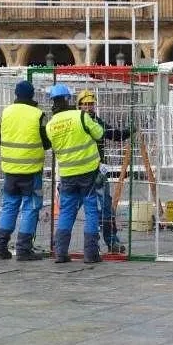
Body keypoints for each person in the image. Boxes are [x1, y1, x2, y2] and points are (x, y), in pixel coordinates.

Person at [45, 83, 105, 264]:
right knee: (91, 210)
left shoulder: (50, 125)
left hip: (67, 174)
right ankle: (91, 254)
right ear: (67, 99)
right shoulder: (81, 116)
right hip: (88, 172)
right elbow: (99, 133)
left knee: (66, 212)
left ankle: (61, 253)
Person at [0, 80, 51, 261]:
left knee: (9, 206)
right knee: (31, 207)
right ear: (32, 95)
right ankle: (24, 249)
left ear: (16, 95)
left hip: (10, 170)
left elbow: (0, 138)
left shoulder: (6, 112)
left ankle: (0, 246)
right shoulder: (38, 114)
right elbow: (46, 142)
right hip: (31, 170)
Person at [77, 89, 131, 254]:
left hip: (97, 171)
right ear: (79, 106)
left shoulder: (97, 121)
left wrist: (128, 131)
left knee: (105, 208)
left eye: (91, 104)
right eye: (85, 104)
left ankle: (112, 242)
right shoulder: (77, 123)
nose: (88, 107)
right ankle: (59, 244)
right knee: (71, 209)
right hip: (77, 172)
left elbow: (112, 134)